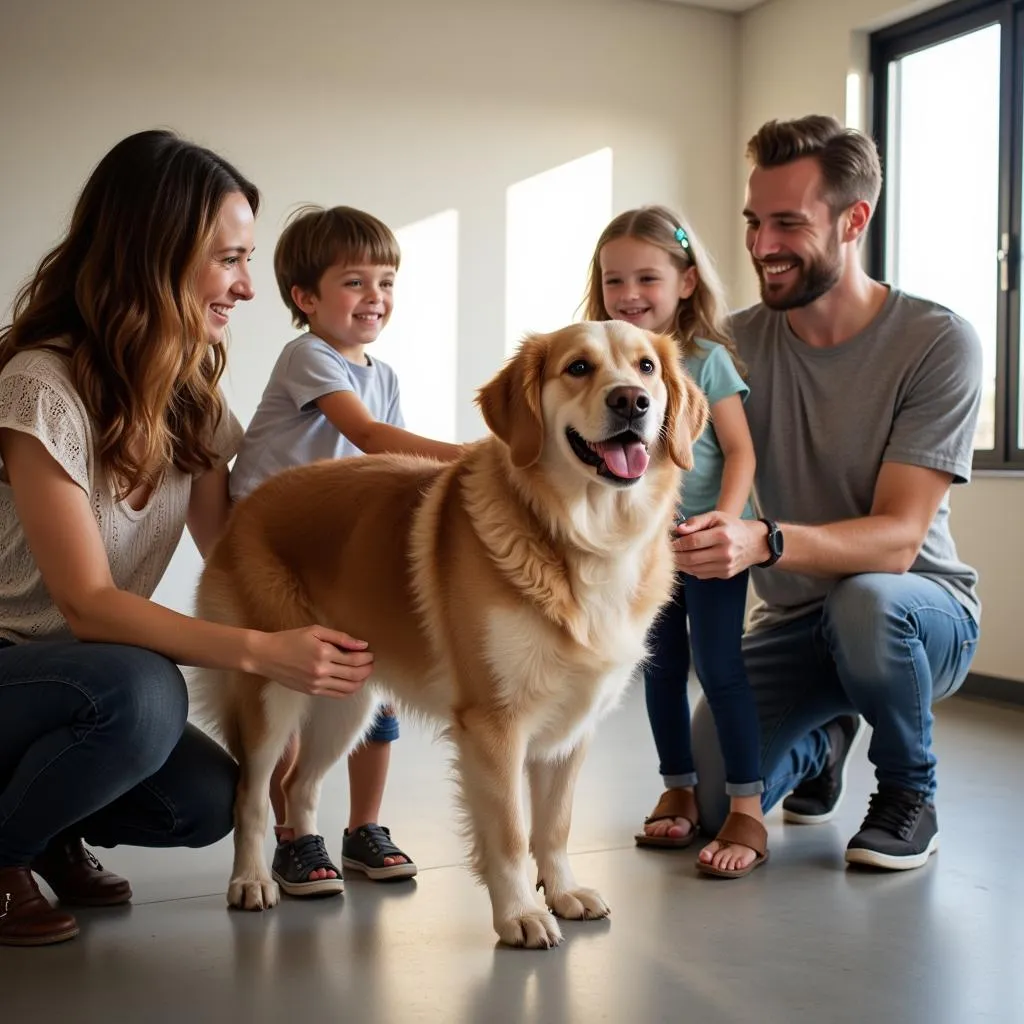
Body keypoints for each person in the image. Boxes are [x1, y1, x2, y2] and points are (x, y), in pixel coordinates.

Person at [0, 131, 374, 947]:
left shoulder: (191, 394)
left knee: (205, 803)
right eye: (230, 259)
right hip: (20, 666)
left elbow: (236, 550)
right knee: (139, 693)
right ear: (153, 252)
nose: (247, 285)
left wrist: (323, 634)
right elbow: (89, 607)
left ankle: (48, 826)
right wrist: (262, 653)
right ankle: (4, 855)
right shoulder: (39, 384)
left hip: (84, 679)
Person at [678, 114, 982, 872]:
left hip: (918, 611)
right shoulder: (729, 349)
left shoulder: (937, 342)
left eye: (787, 222)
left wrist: (765, 539)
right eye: (754, 222)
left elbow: (898, 539)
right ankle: (824, 741)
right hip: (796, 620)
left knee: (868, 602)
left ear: (854, 220)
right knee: (717, 802)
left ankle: (910, 792)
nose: (761, 245)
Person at [230, 205, 461, 893]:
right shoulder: (310, 355)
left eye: (386, 282)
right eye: (355, 282)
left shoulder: (383, 373)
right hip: (281, 548)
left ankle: (364, 827)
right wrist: (478, 459)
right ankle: (291, 834)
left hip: (343, 551)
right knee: (288, 696)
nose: (376, 298)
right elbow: (367, 438)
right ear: (306, 299)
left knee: (378, 694)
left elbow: (390, 476)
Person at [582, 206, 767, 878]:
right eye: (613, 281)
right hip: (643, 553)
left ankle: (747, 806)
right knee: (658, 669)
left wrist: (723, 521)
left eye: (647, 279)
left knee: (719, 668)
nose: (629, 295)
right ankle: (680, 786)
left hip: (708, 545)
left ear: (685, 282)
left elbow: (741, 453)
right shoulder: (603, 364)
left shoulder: (707, 361)